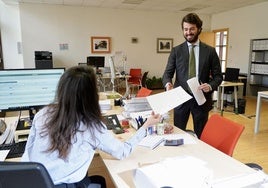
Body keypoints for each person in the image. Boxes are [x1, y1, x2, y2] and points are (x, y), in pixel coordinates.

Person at [21, 65, 161, 188]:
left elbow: (28, 152)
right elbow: (122, 152)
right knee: (100, 180)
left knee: (96, 178)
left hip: (35, 182)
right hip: (66, 185)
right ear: (91, 94)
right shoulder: (91, 125)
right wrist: (145, 126)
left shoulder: (43, 114)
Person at [162, 13, 223, 138]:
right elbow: (167, 74)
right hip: (180, 99)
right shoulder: (176, 51)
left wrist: (210, 86)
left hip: (201, 100)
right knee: (177, 134)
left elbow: (218, 77)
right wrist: (168, 84)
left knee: (201, 136)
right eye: (185, 29)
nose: (188, 32)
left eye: (191, 29)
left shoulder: (210, 51)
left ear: (199, 29)